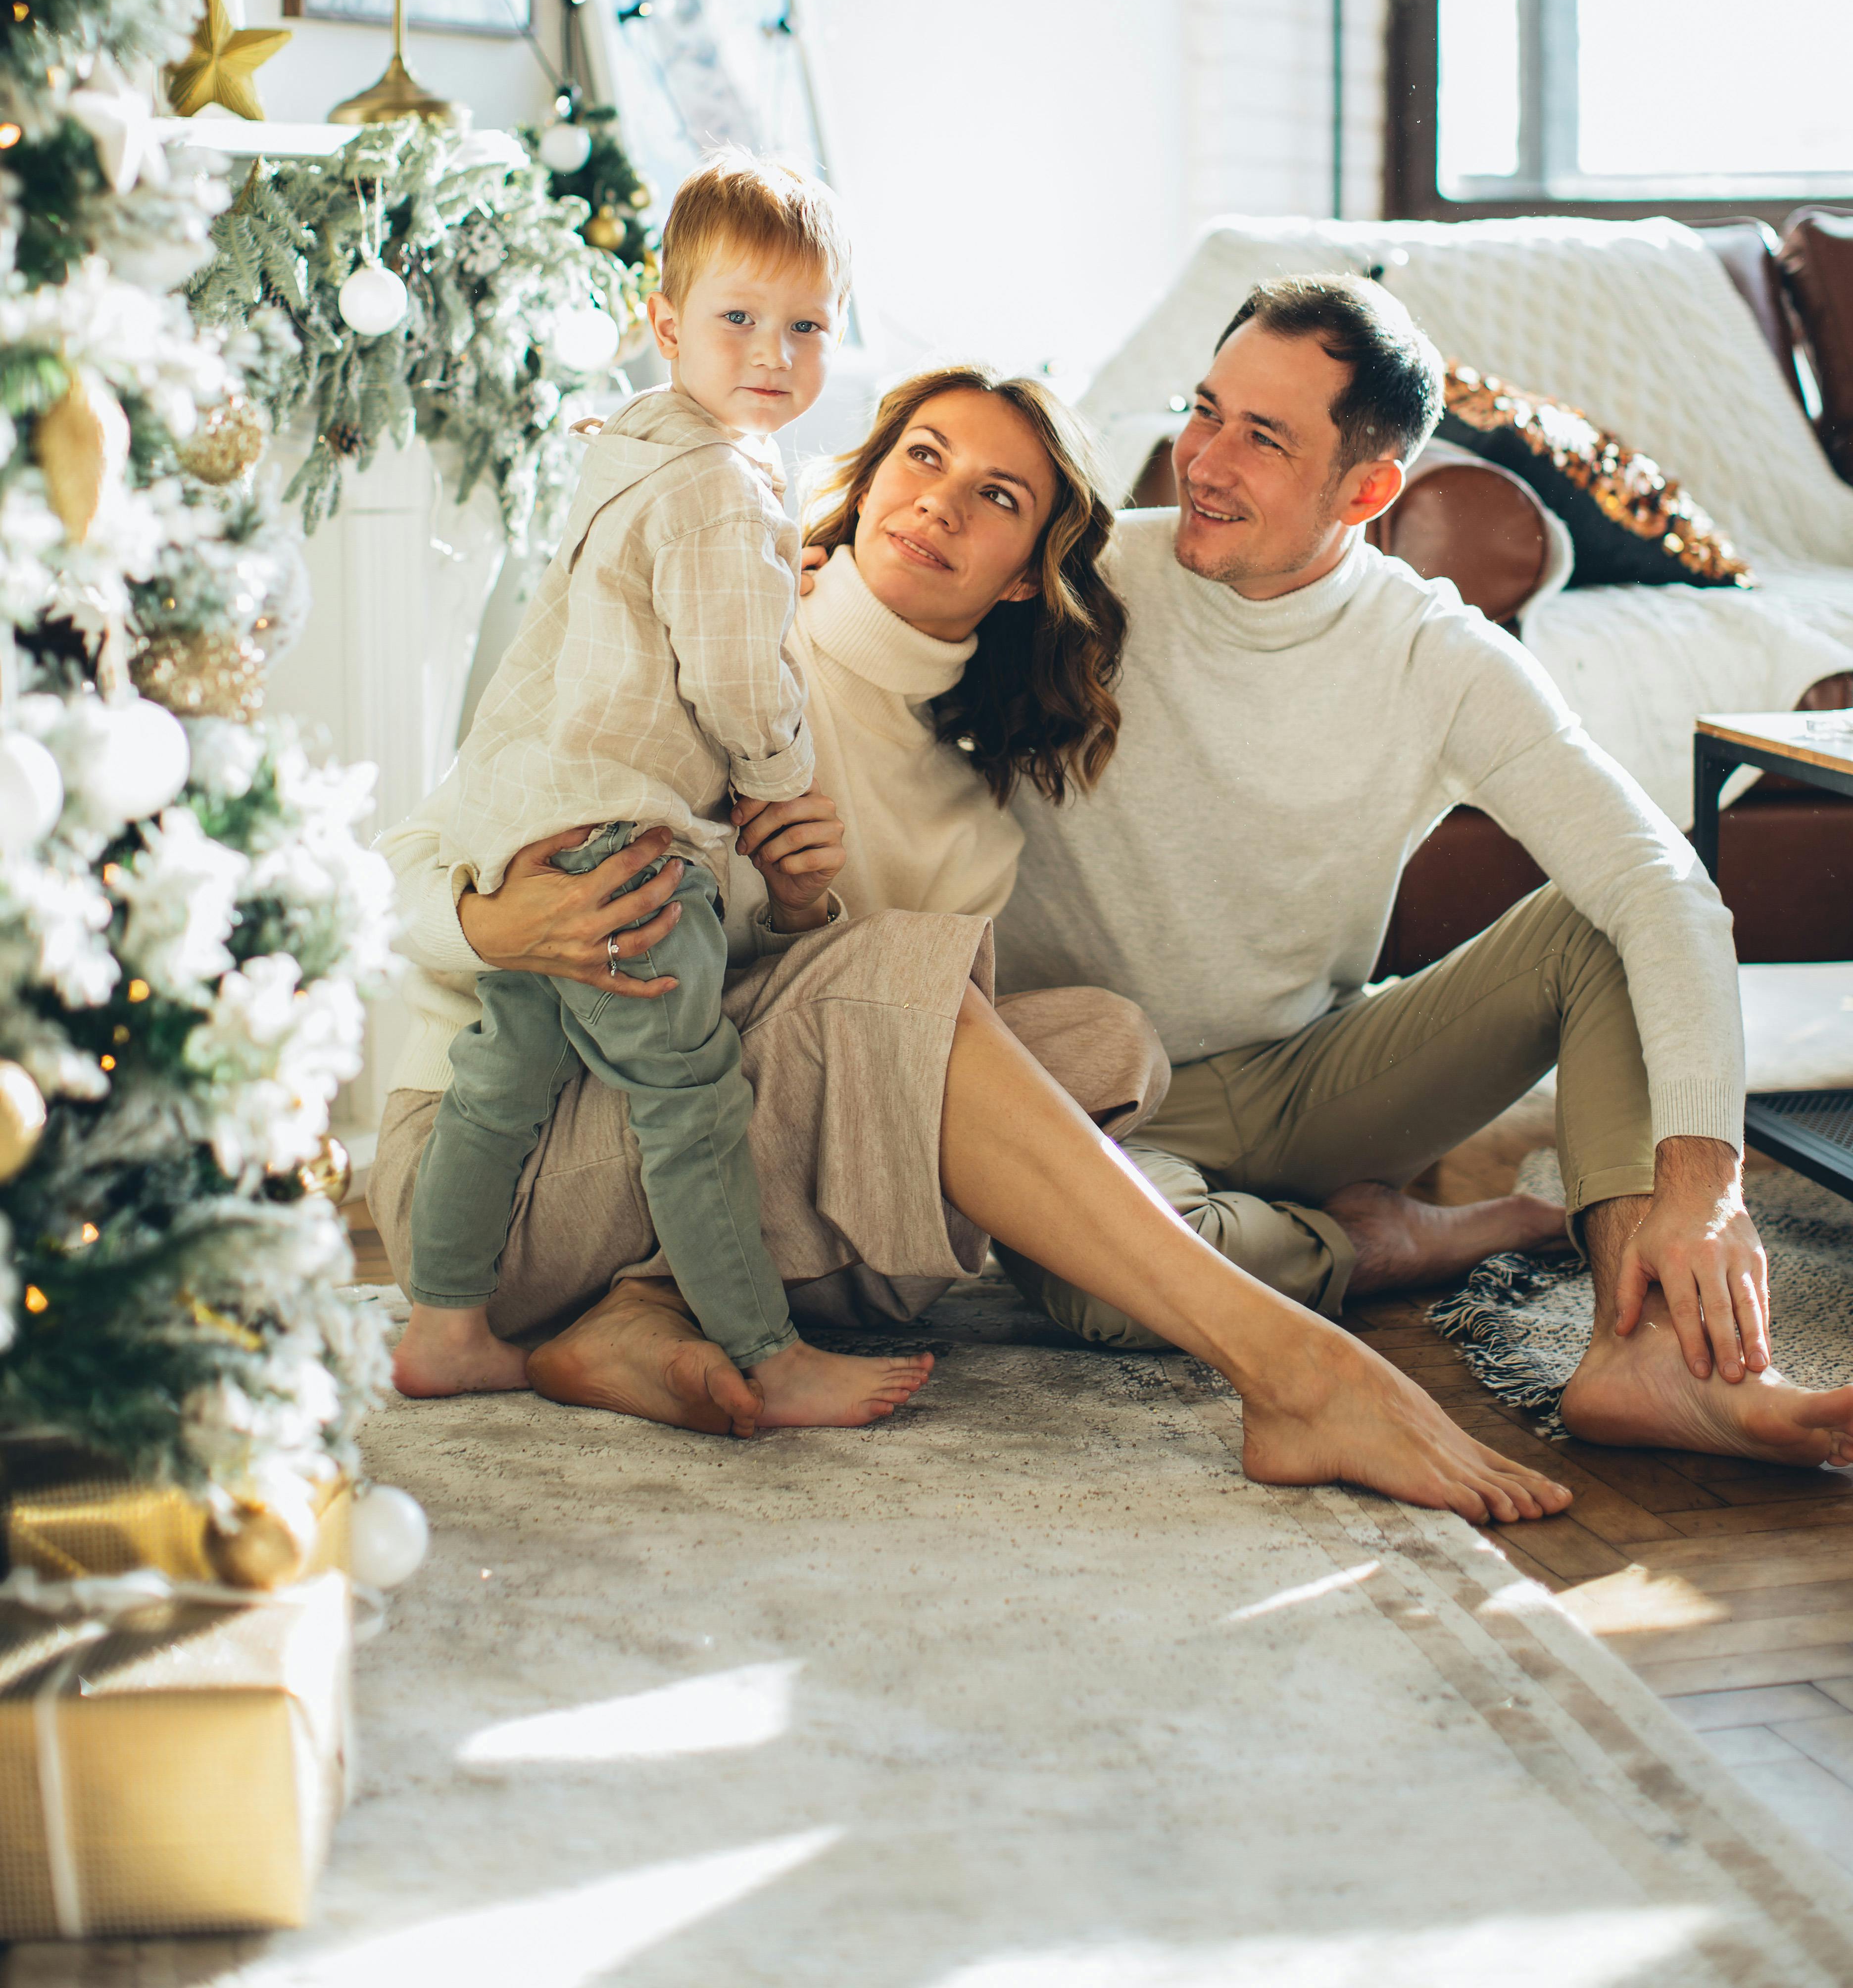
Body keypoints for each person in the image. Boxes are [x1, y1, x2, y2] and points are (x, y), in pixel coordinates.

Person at [373, 362, 1571, 1524]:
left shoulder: (969, 824)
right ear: (870, 477)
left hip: (693, 1160)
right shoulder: (713, 630)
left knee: (1102, 1045)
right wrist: (493, 923)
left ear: (1020, 579)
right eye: (924, 458)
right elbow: (393, 876)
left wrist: (797, 916)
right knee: (900, 982)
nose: (940, 502)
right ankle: (1296, 1371)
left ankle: (646, 1316)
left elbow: (810, 1045)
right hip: (501, 1173)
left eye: (997, 497)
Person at [996, 273, 1853, 1475]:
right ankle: (1386, 1244)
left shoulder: (1436, 653)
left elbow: (1664, 885)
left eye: (1263, 437)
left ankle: (1643, 1350)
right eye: (1205, 410)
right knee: (1111, 1296)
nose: (1204, 459)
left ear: (1370, 489)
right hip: (1098, 1096)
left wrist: (1706, 1184)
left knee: (1597, 926)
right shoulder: (1080, 579)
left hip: (1315, 1074)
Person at [394, 151, 929, 1430]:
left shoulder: (631, 443)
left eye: (805, 327)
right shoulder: (725, 489)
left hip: (530, 825)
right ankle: (762, 1350)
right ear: (665, 320)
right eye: (739, 319)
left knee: (504, 1075)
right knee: (690, 1103)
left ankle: (442, 1323)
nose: (772, 354)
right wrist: (779, 788)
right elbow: (741, 680)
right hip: (628, 841)